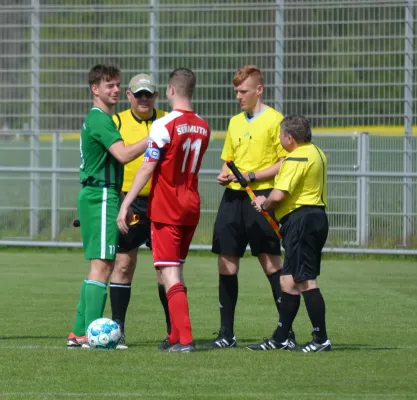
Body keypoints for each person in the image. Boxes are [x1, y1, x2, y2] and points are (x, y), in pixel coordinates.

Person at [117, 68, 210, 352]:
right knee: (176, 270)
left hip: (167, 207)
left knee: (169, 273)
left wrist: (125, 203)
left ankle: (185, 339)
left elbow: (147, 166)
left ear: (169, 90)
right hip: (191, 206)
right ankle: (174, 336)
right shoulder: (204, 126)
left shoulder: (164, 124)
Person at [204, 65, 294, 349]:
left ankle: (286, 334)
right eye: (236, 91)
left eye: (243, 91)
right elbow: (228, 158)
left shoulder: (275, 121)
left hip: (261, 197)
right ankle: (226, 334)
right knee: (226, 261)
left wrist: (253, 176)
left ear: (259, 90)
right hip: (233, 198)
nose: (239, 96)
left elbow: (285, 162)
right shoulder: (234, 122)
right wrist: (223, 173)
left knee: (270, 261)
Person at [67, 64, 149, 348]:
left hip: (102, 194)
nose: (115, 90)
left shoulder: (104, 119)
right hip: (101, 195)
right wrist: (155, 138)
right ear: (95, 89)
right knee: (102, 265)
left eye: (117, 85)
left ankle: (79, 332)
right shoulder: (100, 118)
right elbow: (124, 155)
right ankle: (92, 335)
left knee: (100, 265)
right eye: (109, 85)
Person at [249, 115, 331, 352]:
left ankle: (320, 339)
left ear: (290, 138)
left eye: (281, 135)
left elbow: (279, 194)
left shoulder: (297, 157)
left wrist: (264, 204)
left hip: (302, 221)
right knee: (287, 279)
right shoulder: (316, 152)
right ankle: (281, 337)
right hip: (313, 218)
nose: (279, 139)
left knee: (305, 280)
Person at [109, 73, 169, 350]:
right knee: (123, 264)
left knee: (165, 270)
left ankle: (174, 332)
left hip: (162, 201)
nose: (144, 99)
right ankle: (117, 331)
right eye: (138, 94)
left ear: (155, 96)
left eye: (148, 94)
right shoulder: (117, 121)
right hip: (129, 202)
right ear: (129, 96)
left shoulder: (168, 120)